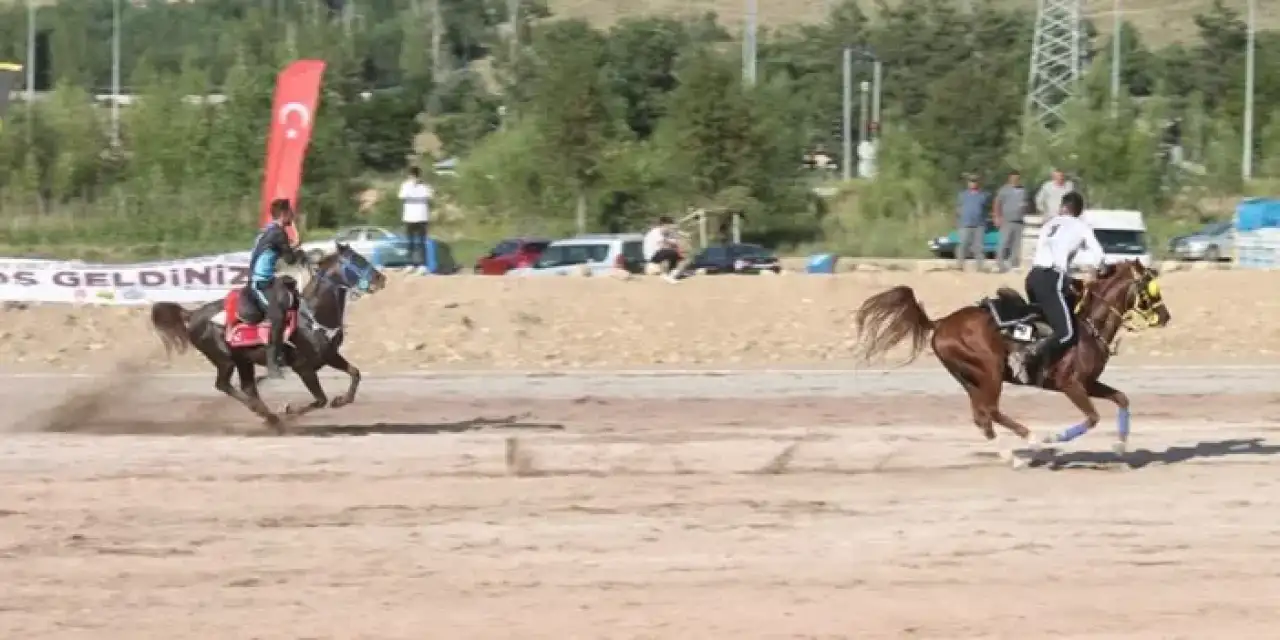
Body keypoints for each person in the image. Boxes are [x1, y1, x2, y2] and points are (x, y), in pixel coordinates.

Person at [1019, 191, 1104, 384]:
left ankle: (1044, 360)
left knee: (1046, 323)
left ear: (1062, 207)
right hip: (1052, 278)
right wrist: (1101, 269)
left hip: (1033, 277)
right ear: (1079, 210)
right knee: (1066, 332)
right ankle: (1030, 356)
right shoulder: (1081, 226)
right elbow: (1098, 256)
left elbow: (1045, 250)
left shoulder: (1049, 224)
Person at [247, 198, 308, 379]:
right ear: (283, 214)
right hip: (260, 282)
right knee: (278, 315)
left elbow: (287, 251)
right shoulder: (278, 233)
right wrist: (298, 245)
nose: (293, 215)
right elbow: (290, 259)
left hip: (269, 279)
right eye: (290, 212)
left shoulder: (270, 230)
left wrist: (295, 244)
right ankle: (272, 362)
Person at [398, 166, 435, 274]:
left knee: (421, 242)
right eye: (411, 176)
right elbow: (402, 195)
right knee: (410, 242)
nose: (413, 178)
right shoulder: (405, 185)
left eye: (415, 176)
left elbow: (429, 195)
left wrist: (414, 194)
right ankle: (410, 264)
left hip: (422, 217)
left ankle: (422, 265)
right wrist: (413, 191)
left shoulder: (425, 186)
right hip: (409, 217)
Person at [993, 170, 1028, 273]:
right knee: (1003, 242)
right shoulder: (1004, 190)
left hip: (1019, 220)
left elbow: (1027, 202)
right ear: (1010, 178)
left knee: (1016, 245)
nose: (1015, 180)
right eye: (1013, 178)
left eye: (1017, 178)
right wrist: (997, 216)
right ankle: (999, 264)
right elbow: (997, 203)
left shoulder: (1023, 190)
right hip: (1006, 220)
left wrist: (1025, 207)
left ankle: (1013, 265)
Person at [955, 174, 989, 272]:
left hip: (979, 224)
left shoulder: (983, 195)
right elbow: (958, 208)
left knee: (979, 247)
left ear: (978, 183)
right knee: (963, 245)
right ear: (968, 183)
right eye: (971, 181)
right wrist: (958, 221)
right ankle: (959, 265)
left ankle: (980, 267)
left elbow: (986, 209)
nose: (973, 183)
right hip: (965, 224)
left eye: (975, 181)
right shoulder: (962, 195)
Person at [642, 216, 684, 284]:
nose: (670, 230)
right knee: (667, 252)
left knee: (680, 257)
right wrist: (671, 243)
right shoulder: (655, 233)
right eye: (669, 227)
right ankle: (664, 274)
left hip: (662, 254)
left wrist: (671, 242)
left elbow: (676, 243)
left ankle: (672, 275)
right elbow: (663, 245)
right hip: (652, 257)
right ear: (663, 225)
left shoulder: (668, 234)